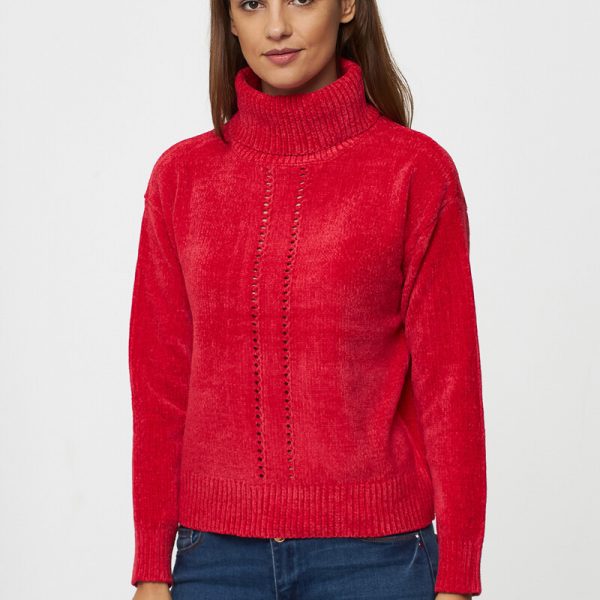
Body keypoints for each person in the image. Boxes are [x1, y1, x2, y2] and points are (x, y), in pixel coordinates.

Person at [128, 1, 487, 599]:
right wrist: (149, 568)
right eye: (251, 4)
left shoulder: (415, 171)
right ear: (229, 19)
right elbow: (159, 387)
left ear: (347, 5)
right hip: (214, 561)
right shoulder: (181, 178)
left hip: (377, 561)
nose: (275, 26)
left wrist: (457, 578)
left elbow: (450, 389)